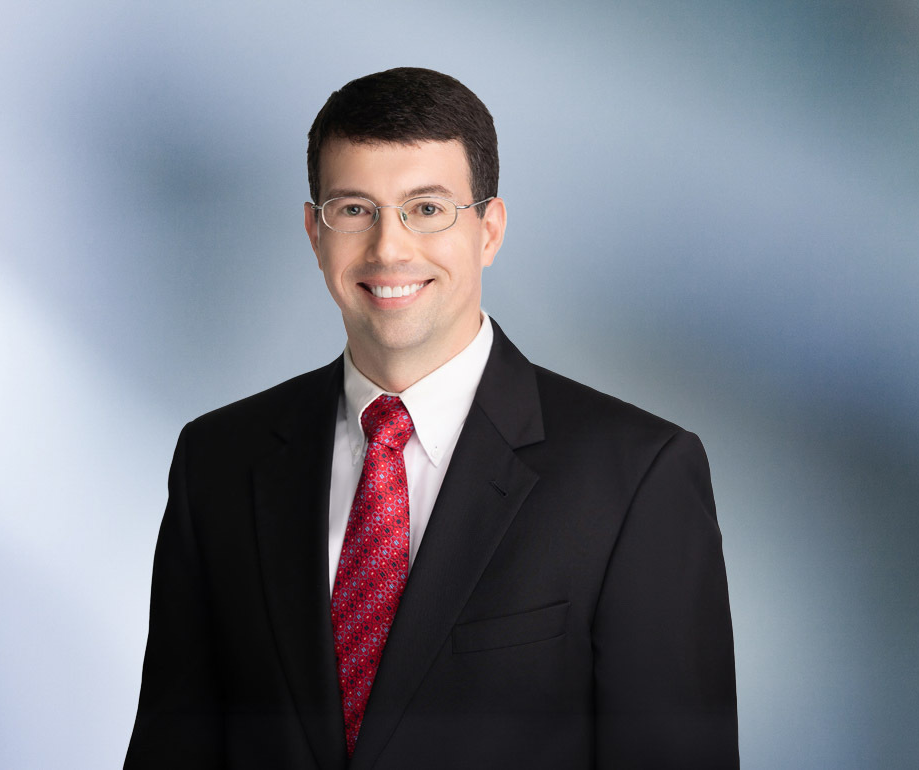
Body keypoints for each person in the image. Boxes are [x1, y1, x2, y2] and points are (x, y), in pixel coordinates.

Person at [124, 67, 737, 769]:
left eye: (426, 209)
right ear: (314, 232)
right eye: (355, 209)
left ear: (489, 230)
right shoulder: (219, 462)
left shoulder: (635, 478)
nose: (389, 247)